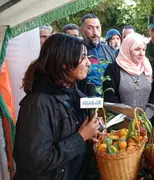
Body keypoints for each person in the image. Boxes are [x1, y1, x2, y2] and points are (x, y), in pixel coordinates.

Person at [13, 33, 103, 179]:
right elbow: (35, 161)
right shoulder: (37, 104)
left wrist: (90, 135)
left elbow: (71, 131)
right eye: (83, 57)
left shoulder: (72, 90)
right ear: (64, 62)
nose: (88, 63)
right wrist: (80, 137)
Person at [103, 33, 154, 134]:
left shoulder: (148, 68)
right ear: (127, 49)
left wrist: (144, 118)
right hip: (122, 129)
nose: (141, 53)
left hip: (147, 126)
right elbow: (110, 98)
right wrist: (131, 120)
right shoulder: (113, 70)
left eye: (143, 49)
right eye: (137, 49)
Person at [80, 14, 115, 93]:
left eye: (97, 27)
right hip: (85, 98)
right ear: (81, 30)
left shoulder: (108, 50)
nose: (95, 32)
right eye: (90, 28)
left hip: (107, 97)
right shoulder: (77, 50)